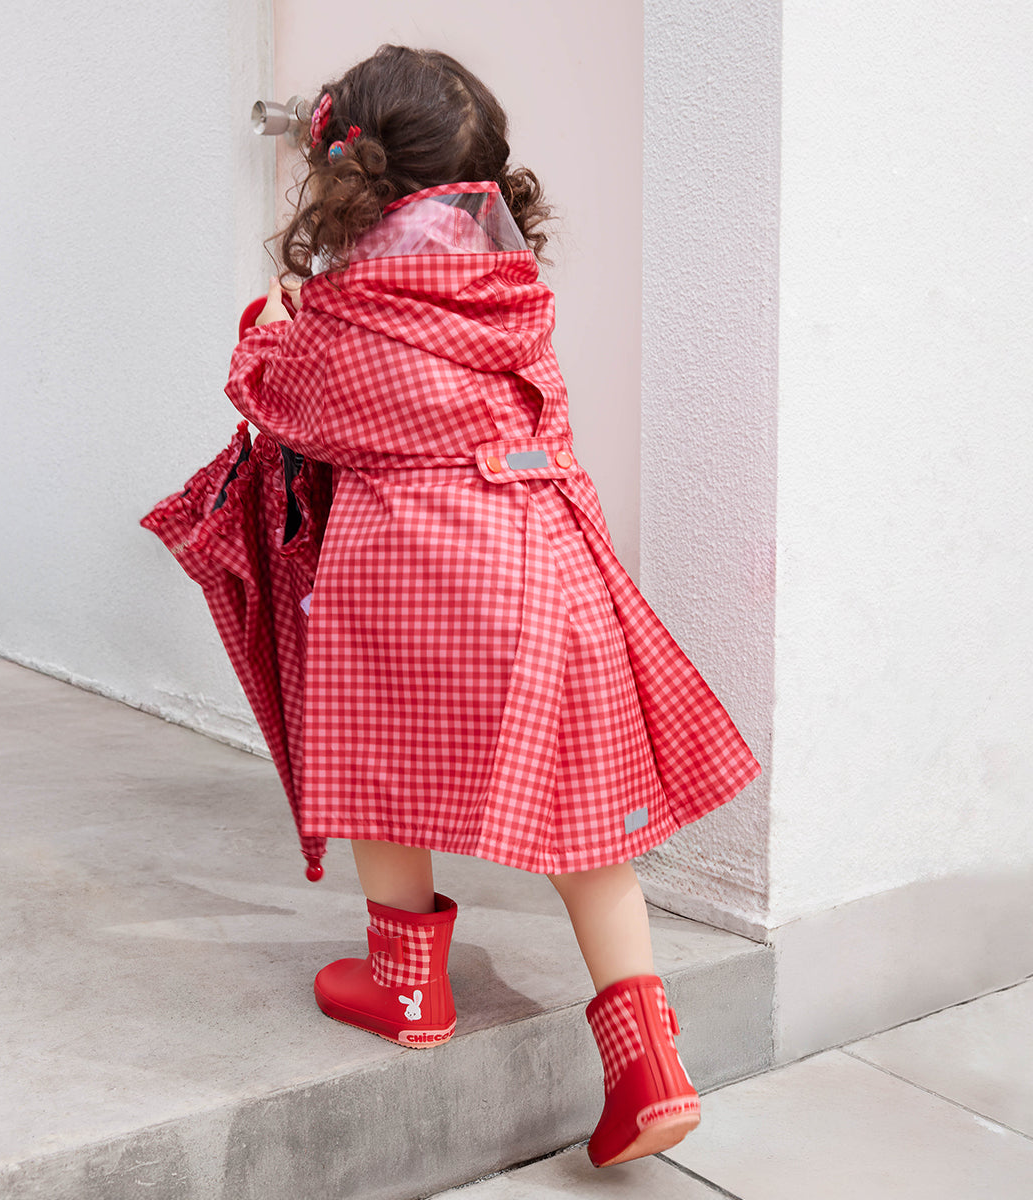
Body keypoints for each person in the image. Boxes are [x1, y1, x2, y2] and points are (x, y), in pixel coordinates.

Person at [225, 44, 760, 1167]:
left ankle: (405, 987)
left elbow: (282, 404)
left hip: (409, 569)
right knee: (585, 821)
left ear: (347, 174)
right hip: (549, 562)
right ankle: (649, 1061)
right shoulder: (512, 295)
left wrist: (264, 325)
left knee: (375, 757)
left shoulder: (346, 315)